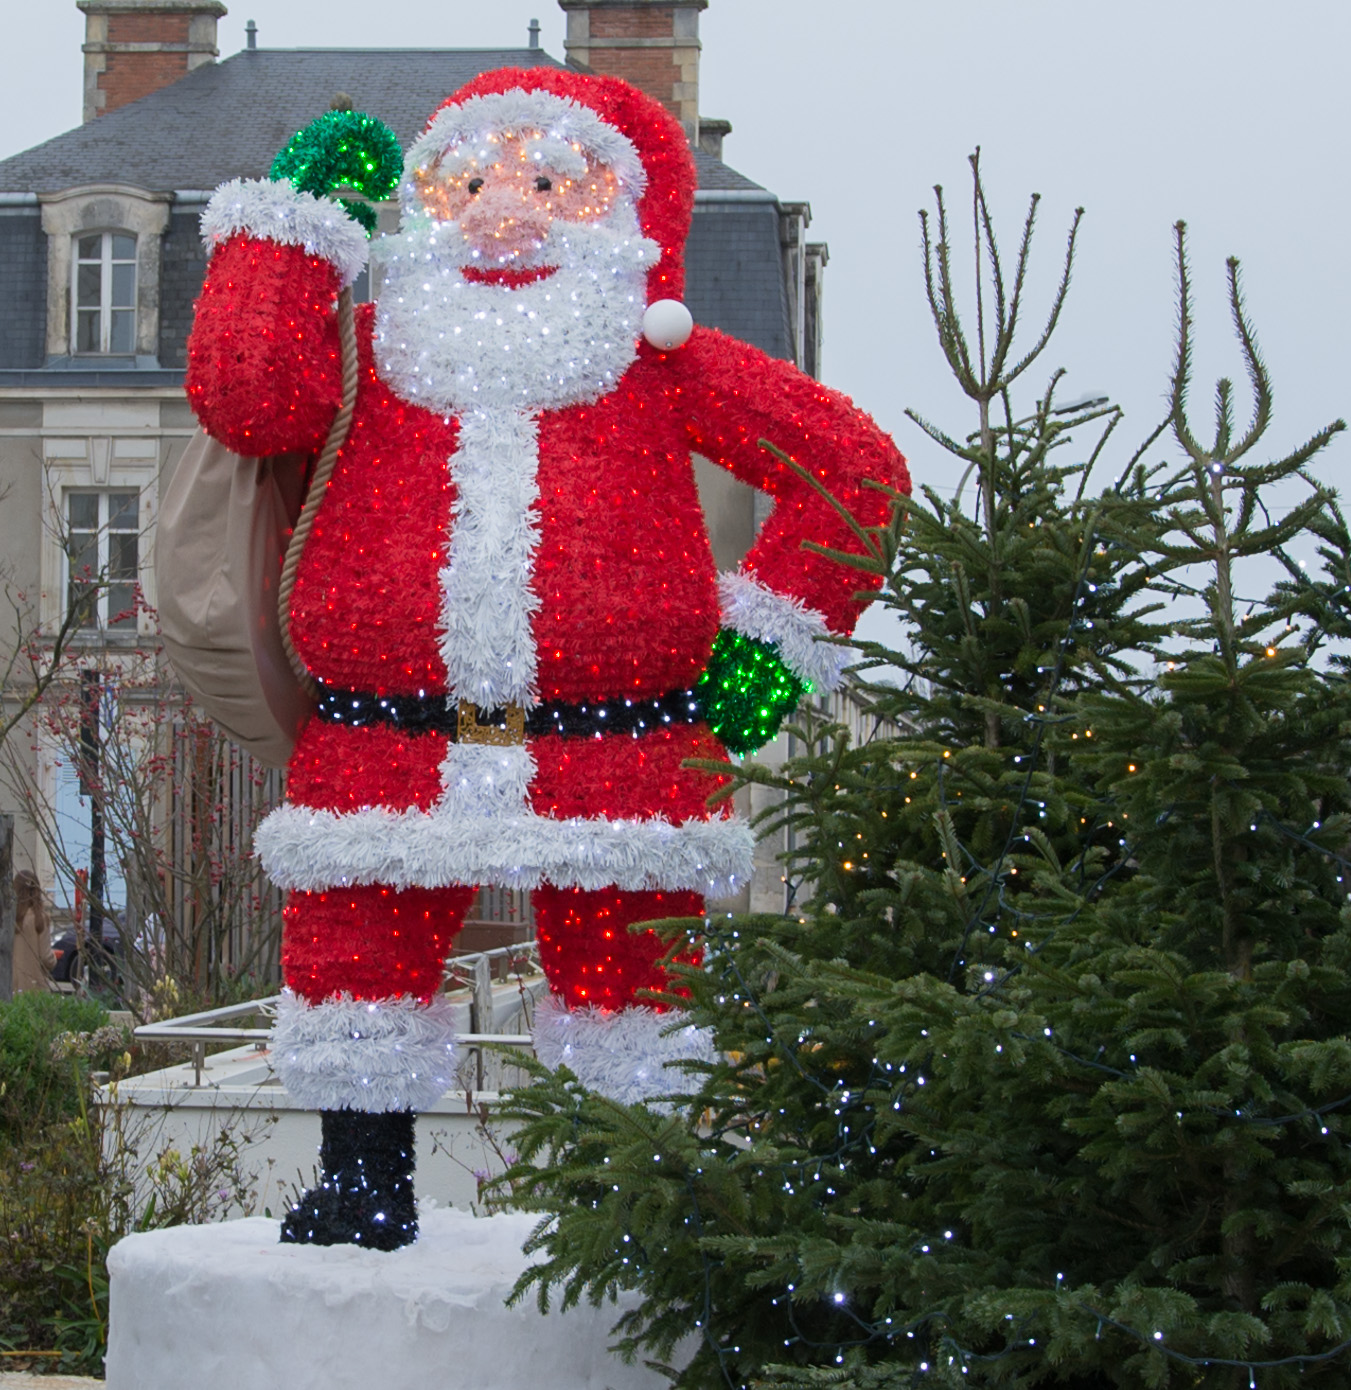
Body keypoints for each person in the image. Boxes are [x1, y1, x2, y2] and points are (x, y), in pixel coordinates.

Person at [187, 68, 907, 1247]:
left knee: (631, 980)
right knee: (356, 960)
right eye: (464, 181)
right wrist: (296, 229)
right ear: (425, 205)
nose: (501, 211)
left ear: (627, 214)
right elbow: (249, 399)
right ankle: (364, 1180)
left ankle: (627, 1198)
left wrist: (771, 643)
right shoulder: (371, 353)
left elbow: (854, 472)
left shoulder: (656, 359)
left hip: (617, 751)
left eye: (550, 184)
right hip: (385, 742)